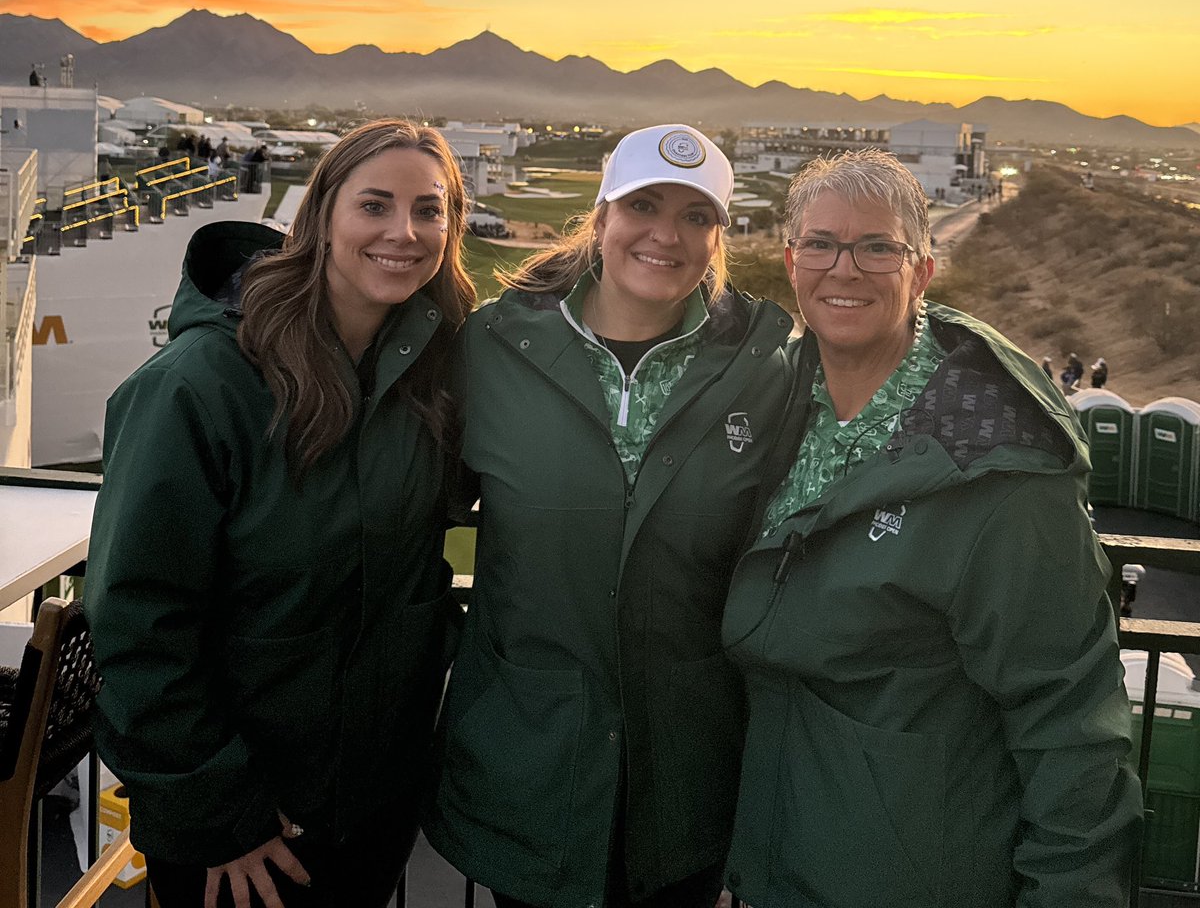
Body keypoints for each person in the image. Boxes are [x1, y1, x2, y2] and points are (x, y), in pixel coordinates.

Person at [721, 148, 1141, 908]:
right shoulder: (774, 404)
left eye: (878, 247)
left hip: (918, 873)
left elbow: (1071, 721)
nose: (843, 268)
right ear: (791, 262)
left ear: (922, 272)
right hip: (774, 857)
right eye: (820, 243)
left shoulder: (998, 472)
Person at [85, 119, 476, 908]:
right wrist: (219, 813)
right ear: (321, 217)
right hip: (244, 829)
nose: (404, 232)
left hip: (369, 807)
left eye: (429, 211)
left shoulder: (432, 373)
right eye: (376, 206)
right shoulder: (201, 384)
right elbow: (137, 618)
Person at [425, 124, 794, 908]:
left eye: (697, 216)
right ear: (602, 215)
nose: (667, 234)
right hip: (529, 766)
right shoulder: (494, 345)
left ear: (719, 236)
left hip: (691, 782)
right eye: (644, 205)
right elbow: (408, 517)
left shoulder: (766, 364)